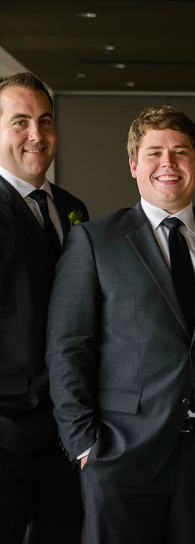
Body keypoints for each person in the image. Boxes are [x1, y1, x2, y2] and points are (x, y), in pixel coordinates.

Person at [45, 106, 195, 544]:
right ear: (133, 164)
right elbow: (68, 348)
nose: (168, 164)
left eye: (180, 152)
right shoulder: (95, 241)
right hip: (120, 452)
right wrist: (84, 445)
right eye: (154, 152)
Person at [0, 71, 86, 544]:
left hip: (64, 430)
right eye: (20, 122)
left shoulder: (74, 208)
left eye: (45, 121)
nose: (37, 135)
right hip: (6, 434)